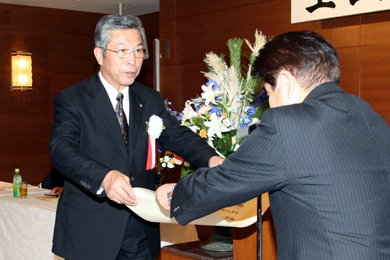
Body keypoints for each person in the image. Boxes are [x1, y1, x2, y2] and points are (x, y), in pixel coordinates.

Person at [156, 31, 390, 259]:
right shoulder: (369, 116)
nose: (270, 102)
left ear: (286, 80)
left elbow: (225, 182)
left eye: (269, 92)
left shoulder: (287, 124)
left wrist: (174, 194)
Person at [49, 14, 222, 260]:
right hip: (91, 230)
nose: (132, 61)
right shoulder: (73, 99)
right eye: (122, 51)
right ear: (99, 55)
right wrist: (104, 177)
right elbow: (60, 149)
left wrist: (212, 159)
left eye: (139, 51)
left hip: (142, 225)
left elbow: (177, 136)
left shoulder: (149, 98)